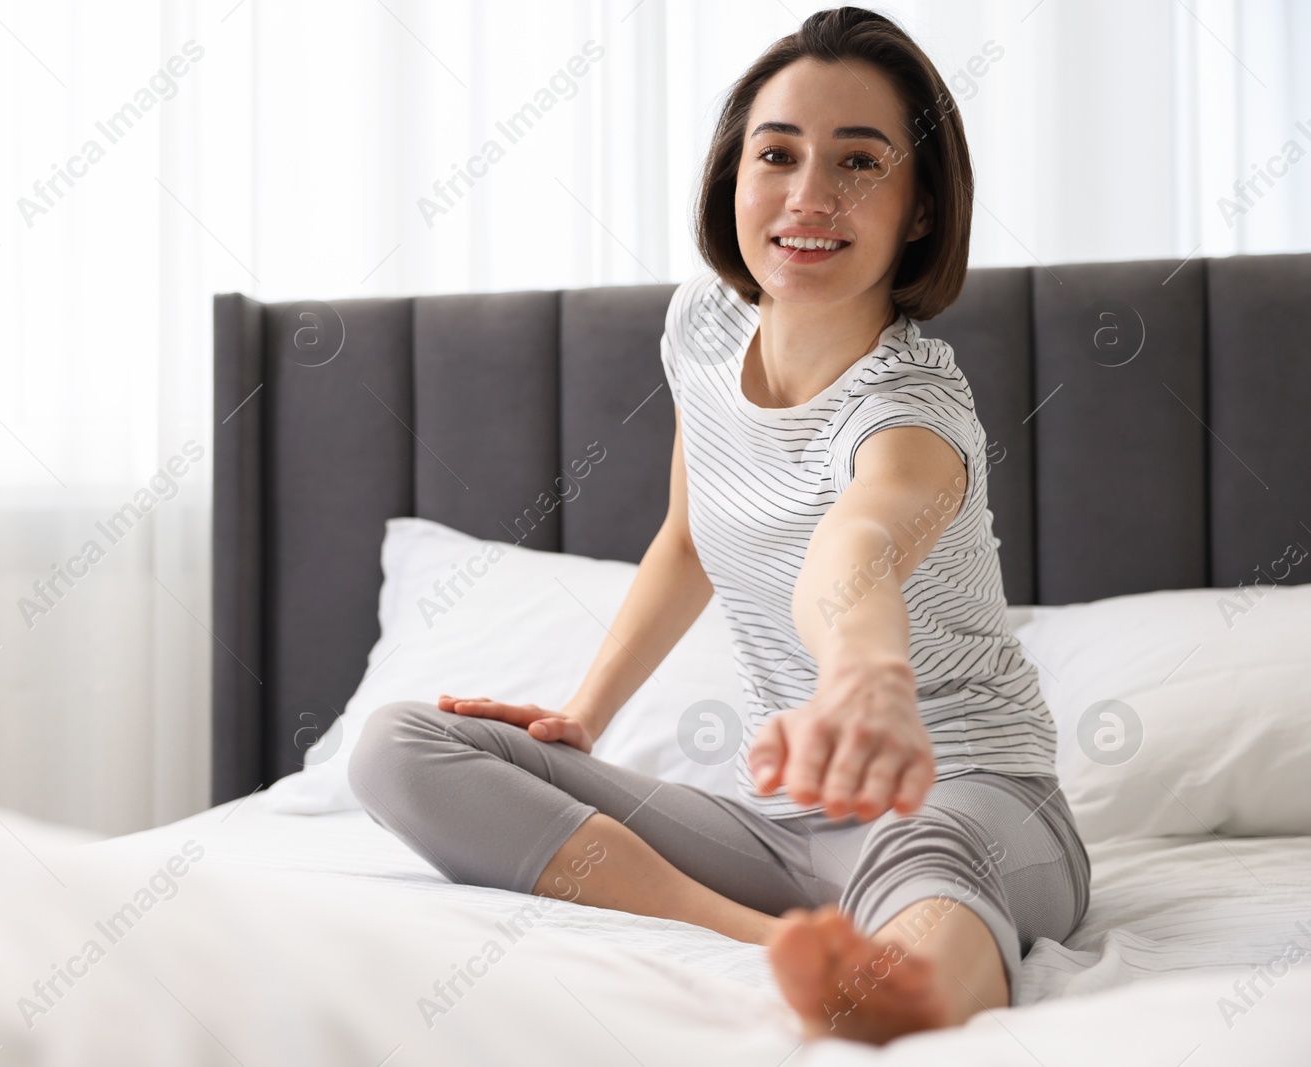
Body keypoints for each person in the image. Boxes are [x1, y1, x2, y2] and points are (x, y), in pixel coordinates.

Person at [348, 6, 1089, 1045]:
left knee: (937, 865)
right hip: (783, 832)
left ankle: (907, 986)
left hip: (971, 799)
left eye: (860, 162)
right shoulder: (702, 327)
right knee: (400, 745)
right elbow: (689, 541)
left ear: (920, 208)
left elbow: (855, 550)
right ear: (731, 177)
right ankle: (753, 933)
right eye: (775, 154)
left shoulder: (913, 410)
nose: (807, 197)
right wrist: (584, 716)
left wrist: (865, 683)